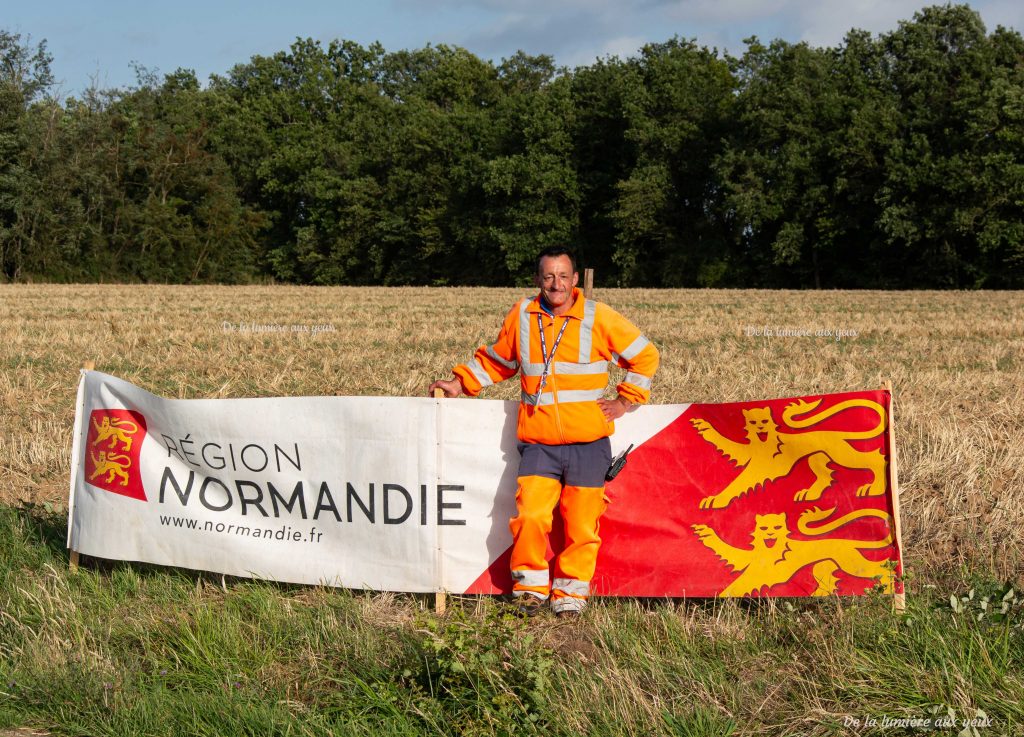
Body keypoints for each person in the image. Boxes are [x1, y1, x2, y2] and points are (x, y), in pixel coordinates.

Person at [429, 246, 659, 616]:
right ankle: (529, 589)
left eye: (563, 276)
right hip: (539, 444)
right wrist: (460, 383)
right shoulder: (523, 315)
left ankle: (570, 595)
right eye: (549, 276)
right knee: (531, 517)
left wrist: (625, 400)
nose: (556, 284)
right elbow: (498, 361)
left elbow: (645, 355)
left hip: (589, 444)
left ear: (575, 280)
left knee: (582, 525)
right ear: (538, 280)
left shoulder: (598, 316)